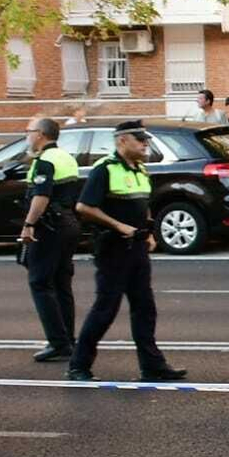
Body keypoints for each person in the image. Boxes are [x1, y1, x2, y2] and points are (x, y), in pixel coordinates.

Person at [65, 121, 187, 384]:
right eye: (139, 139)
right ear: (122, 141)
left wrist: (150, 232)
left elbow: (144, 204)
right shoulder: (104, 169)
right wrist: (120, 226)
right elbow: (84, 206)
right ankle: (78, 366)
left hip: (137, 250)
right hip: (113, 249)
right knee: (105, 309)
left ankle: (152, 366)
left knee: (145, 308)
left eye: (146, 140)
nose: (145, 144)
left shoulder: (141, 169)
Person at [18, 117, 82, 363]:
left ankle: (58, 342)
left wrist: (29, 224)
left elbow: (41, 197)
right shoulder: (66, 157)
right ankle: (68, 338)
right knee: (61, 283)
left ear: (41, 134)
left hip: (49, 227)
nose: (27, 135)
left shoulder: (45, 161)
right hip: (68, 224)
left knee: (40, 283)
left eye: (29, 131)